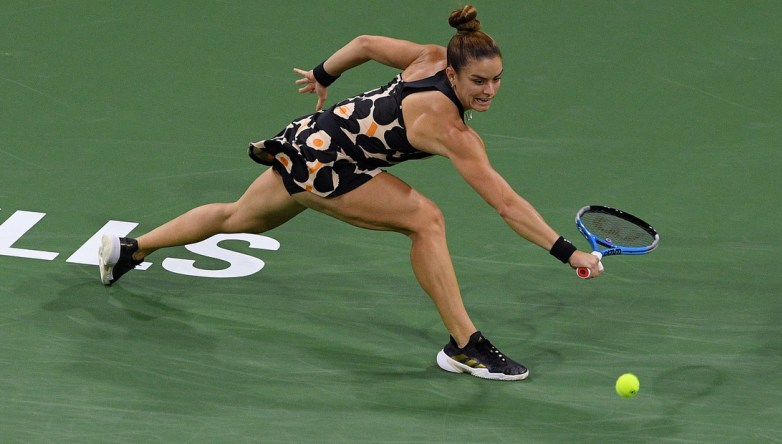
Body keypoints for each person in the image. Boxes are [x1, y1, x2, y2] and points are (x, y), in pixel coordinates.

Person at [98, 5, 602, 381]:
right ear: (452, 73)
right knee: (426, 220)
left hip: (310, 137)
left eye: (496, 80)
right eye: (478, 81)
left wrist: (323, 74)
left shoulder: (428, 57)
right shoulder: (449, 129)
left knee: (238, 219)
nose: (489, 91)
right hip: (331, 166)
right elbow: (506, 204)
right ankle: (464, 344)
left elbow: (363, 43)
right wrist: (568, 252)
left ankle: (130, 249)